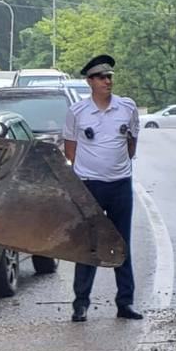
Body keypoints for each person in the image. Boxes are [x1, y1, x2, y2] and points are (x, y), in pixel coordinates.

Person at [62, 55, 142, 322]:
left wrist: (115, 166)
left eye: (109, 76)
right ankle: (81, 303)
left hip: (120, 184)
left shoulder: (127, 107)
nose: (107, 81)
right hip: (90, 185)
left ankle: (125, 302)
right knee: (89, 245)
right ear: (90, 82)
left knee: (122, 244)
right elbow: (70, 149)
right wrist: (88, 170)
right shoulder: (78, 112)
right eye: (101, 77)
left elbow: (131, 143)